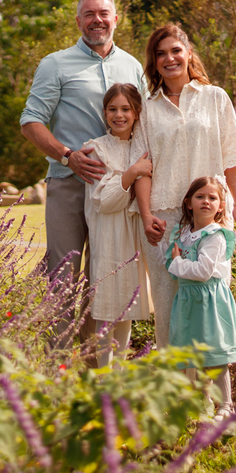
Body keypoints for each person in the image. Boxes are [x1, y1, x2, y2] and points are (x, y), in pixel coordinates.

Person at [20, 0, 146, 350]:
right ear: (78, 21)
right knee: (62, 277)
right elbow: (30, 121)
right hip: (70, 186)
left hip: (118, 193)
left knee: (106, 277)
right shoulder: (56, 64)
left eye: (104, 13)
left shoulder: (133, 66)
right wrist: (66, 156)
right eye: (89, 14)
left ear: (116, 19)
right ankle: (57, 366)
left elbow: (146, 124)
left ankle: (94, 368)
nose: (97, 20)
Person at [133, 23, 236, 349]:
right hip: (165, 220)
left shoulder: (215, 97)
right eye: (161, 54)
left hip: (211, 218)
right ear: (154, 61)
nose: (169, 58)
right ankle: (173, 380)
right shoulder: (147, 107)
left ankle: (211, 380)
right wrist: (146, 216)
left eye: (176, 50)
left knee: (209, 302)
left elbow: (232, 158)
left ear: (188, 54)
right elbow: (142, 170)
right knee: (168, 307)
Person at [82, 83, 154, 367]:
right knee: (107, 308)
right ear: (104, 113)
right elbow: (105, 200)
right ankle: (103, 376)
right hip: (108, 234)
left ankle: (119, 376)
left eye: (126, 109)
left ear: (137, 112)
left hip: (133, 236)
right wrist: (133, 172)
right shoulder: (96, 149)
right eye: (112, 109)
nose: (119, 115)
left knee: (126, 307)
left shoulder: (143, 147)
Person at [165, 176, 236, 420]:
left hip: (210, 300)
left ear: (221, 206)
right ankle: (194, 403)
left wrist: (178, 262)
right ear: (189, 203)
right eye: (200, 197)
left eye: (212, 198)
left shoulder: (215, 236)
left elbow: (202, 272)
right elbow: (170, 263)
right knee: (189, 352)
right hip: (187, 300)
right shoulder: (183, 234)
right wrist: (175, 262)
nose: (206, 201)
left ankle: (226, 405)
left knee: (214, 354)